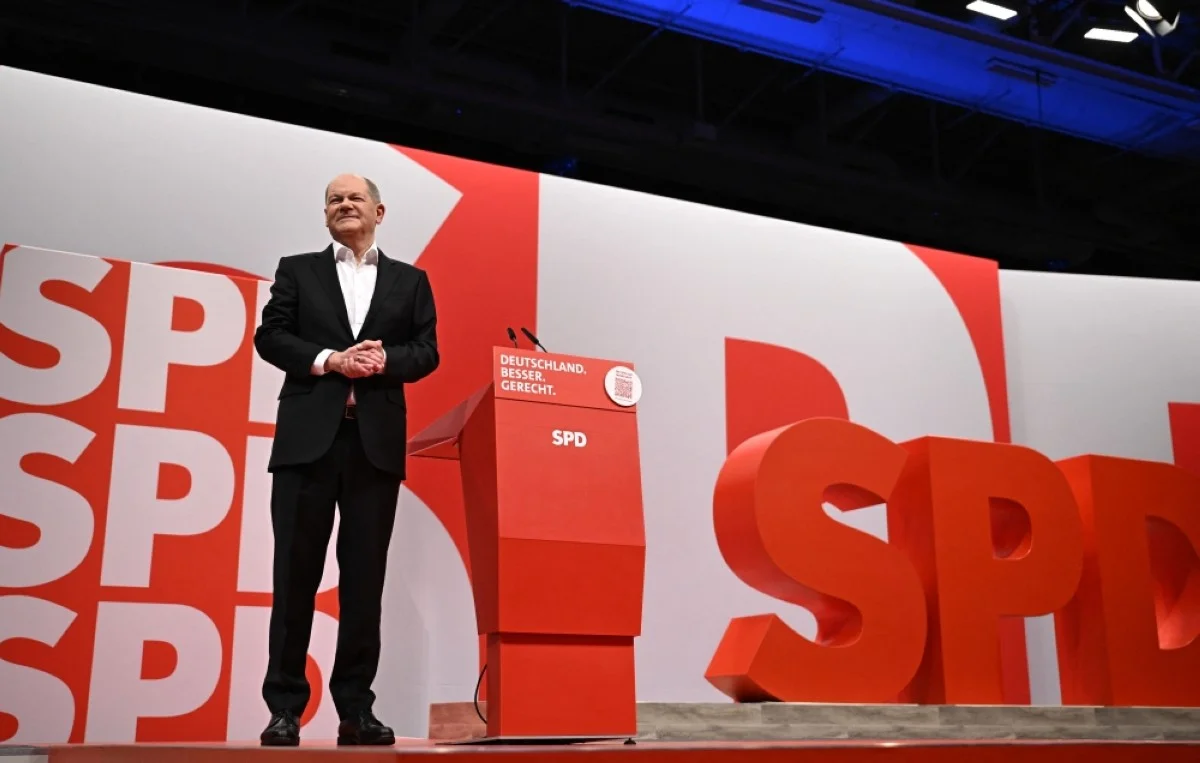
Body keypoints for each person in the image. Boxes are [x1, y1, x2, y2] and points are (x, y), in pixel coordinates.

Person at [252, 173, 439, 746]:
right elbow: (271, 336)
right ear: (325, 214)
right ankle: (284, 709)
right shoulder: (297, 269)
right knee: (295, 578)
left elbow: (427, 351)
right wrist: (332, 360)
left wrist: (382, 362)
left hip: (373, 447)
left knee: (364, 583)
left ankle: (356, 710)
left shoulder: (411, 281)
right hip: (308, 444)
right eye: (333, 199)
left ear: (379, 213)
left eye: (355, 198)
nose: (343, 205)